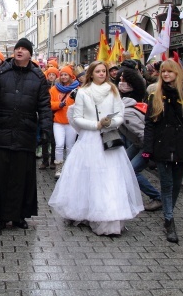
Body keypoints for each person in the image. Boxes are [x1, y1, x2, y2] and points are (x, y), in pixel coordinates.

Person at [49, 61, 143, 236]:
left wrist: (110, 123)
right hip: (90, 139)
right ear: (91, 74)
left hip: (109, 138)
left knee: (110, 177)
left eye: (104, 71)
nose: (102, 74)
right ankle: (84, 211)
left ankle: (110, 216)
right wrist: (96, 125)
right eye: (98, 71)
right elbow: (77, 117)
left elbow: (120, 114)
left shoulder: (113, 91)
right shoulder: (83, 92)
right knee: (88, 176)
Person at [0, 37, 53, 231]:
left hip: (25, 132)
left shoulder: (38, 77)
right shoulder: (0, 73)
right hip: (2, 132)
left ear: (30, 53)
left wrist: (46, 130)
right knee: (1, 175)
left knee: (22, 177)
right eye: (17, 48)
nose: (19, 51)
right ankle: (2, 216)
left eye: (24, 48)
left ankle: (20, 215)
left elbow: (44, 106)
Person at [143, 59, 183, 243]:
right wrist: (148, 149)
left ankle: (169, 212)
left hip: (181, 146)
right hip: (162, 146)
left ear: (177, 73)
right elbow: (150, 125)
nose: (166, 74)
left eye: (169, 71)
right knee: (166, 184)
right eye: (163, 72)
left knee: (176, 184)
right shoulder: (156, 95)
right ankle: (169, 219)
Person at [118, 96, 162, 212]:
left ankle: (157, 197)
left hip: (146, 145)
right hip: (138, 143)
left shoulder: (126, 114)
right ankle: (122, 195)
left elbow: (143, 133)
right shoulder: (121, 110)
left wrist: (150, 154)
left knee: (132, 170)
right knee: (121, 163)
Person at [49, 66, 79, 179]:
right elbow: (49, 104)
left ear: (70, 76)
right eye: (62, 75)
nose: (63, 77)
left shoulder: (77, 89)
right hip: (58, 122)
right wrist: (58, 105)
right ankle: (59, 168)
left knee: (70, 147)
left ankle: (69, 168)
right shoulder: (53, 89)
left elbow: (81, 104)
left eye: (66, 74)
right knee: (59, 145)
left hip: (71, 122)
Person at [40, 66, 59, 170]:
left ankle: (53, 160)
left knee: (53, 140)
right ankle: (45, 160)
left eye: (53, 75)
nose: (51, 76)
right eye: (50, 74)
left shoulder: (58, 87)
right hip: (45, 114)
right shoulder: (43, 86)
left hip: (55, 115)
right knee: (44, 139)